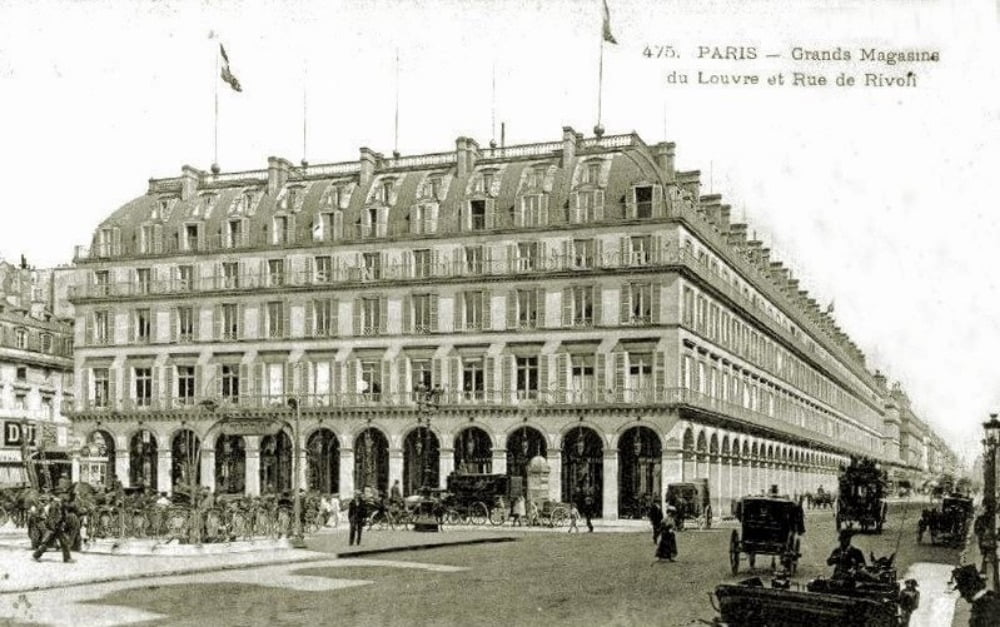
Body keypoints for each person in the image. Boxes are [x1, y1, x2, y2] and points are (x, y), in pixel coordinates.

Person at [32, 495, 73, 563]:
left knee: (48, 542)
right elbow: (53, 518)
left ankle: (36, 555)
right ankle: (67, 558)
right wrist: (55, 526)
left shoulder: (57, 506)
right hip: (57, 527)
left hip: (56, 527)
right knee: (64, 542)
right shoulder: (55, 506)